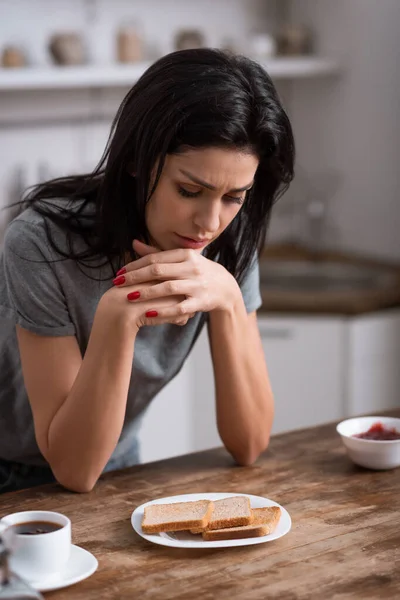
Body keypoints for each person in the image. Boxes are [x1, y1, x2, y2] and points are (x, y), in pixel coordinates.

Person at [0, 48, 294, 494]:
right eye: (189, 190)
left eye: (234, 197)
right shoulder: (40, 243)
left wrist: (230, 299)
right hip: (13, 475)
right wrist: (119, 317)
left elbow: (250, 443)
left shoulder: (226, 244)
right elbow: (73, 470)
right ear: (138, 159)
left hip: (119, 467)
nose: (209, 222)